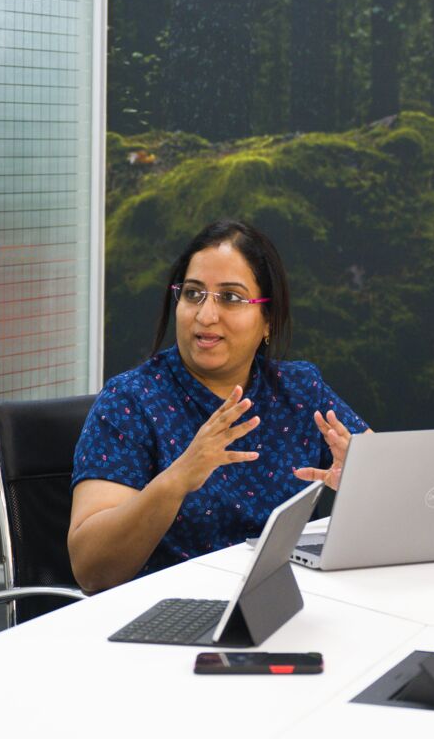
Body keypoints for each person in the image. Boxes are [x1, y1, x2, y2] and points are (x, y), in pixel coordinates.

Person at [70, 220, 368, 591]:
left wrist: (362, 482)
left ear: (268, 321)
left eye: (230, 298)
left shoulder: (300, 390)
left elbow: (401, 488)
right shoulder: (130, 402)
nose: (206, 315)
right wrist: (177, 479)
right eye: (193, 294)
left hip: (284, 605)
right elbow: (91, 568)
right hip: (167, 618)